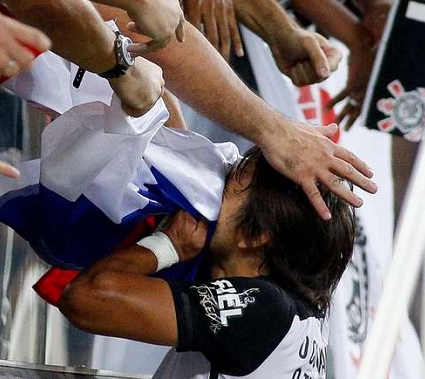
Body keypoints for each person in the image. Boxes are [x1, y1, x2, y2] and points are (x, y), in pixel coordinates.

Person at [59, 145, 355, 379]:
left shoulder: (263, 310)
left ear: (254, 236)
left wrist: (167, 246)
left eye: (225, 185)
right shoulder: (303, 319)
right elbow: (178, 155)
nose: (207, 191)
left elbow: (86, 298)